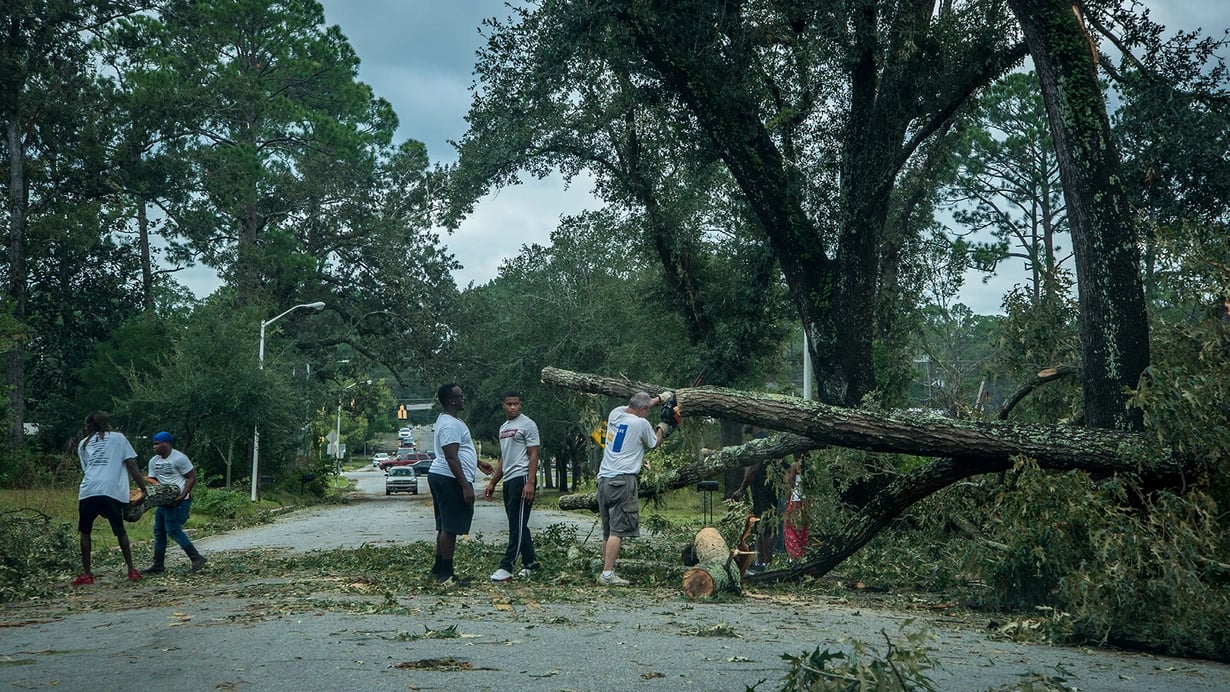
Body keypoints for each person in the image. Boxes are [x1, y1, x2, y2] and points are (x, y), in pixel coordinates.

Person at [596, 390, 674, 586]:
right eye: (646, 410)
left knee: (608, 530)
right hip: (623, 480)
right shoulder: (641, 424)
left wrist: (660, 399)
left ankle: (605, 568)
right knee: (618, 530)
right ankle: (607, 574)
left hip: (604, 479)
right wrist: (663, 427)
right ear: (642, 410)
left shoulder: (616, 413)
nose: (647, 413)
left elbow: (639, 405)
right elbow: (653, 443)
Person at [426, 384, 493, 585]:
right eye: (459, 395)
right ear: (451, 400)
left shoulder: (452, 421)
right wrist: (465, 485)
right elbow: (451, 456)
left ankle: (438, 570)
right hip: (449, 479)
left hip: (444, 476)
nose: (463, 397)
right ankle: (446, 576)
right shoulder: (449, 424)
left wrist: (477, 462)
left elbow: (459, 450)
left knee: (444, 526)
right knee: (450, 528)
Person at [74, 412, 149, 585]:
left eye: (86, 425)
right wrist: (143, 488)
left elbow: (87, 469)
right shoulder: (119, 438)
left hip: (89, 490)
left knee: (85, 532)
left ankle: (87, 574)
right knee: (120, 530)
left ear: (90, 425)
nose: (86, 428)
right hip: (111, 491)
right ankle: (131, 570)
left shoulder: (83, 444)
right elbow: (131, 464)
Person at [484, 391, 542, 582]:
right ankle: (531, 562)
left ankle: (507, 566)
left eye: (516, 404)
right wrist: (493, 482)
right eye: (509, 404)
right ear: (503, 405)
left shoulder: (528, 424)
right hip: (509, 479)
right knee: (517, 523)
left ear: (520, 405)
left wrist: (531, 482)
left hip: (523, 478)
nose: (513, 407)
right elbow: (504, 458)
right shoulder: (503, 428)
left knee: (516, 526)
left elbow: (534, 454)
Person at [142, 431, 207, 574]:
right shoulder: (154, 461)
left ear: (167, 443)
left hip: (179, 501)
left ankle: (196, 558)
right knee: (159, 532)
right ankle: (158, 564)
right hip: (164, 501)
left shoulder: (179, 458)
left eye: (158, 444)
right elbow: (154, 480)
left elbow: (191, 477)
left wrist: (183, 494)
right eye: (154, 444)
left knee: (173, 529)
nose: (155, 447)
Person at [732, 426, 788, 574]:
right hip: (761, 491)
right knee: (760, 527)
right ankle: (760, 562)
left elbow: (754, 468)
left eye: (746, 422)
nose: (743, 425)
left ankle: (765, 564)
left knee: (766, 527)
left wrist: (742, 489)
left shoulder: (761, 441)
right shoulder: (764, 440)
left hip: (766, 492)